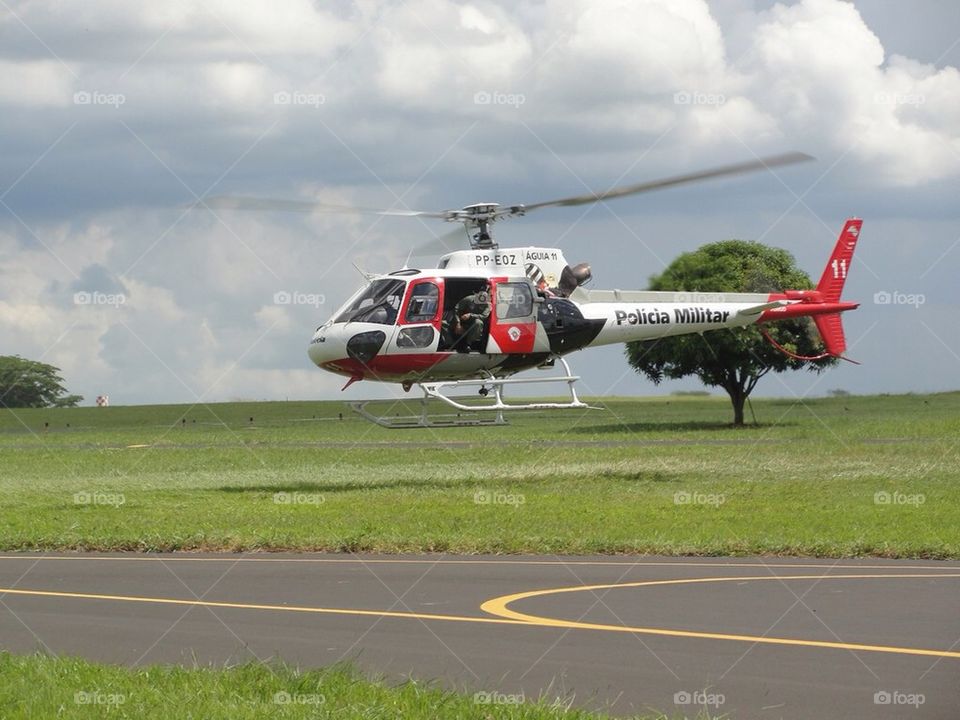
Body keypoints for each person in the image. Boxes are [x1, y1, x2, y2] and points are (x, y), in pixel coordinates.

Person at [453, 284, 492, 352]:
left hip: (474, 326)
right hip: (462, 322)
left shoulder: (487, 305)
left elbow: (484, 316)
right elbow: (456, 309)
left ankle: (468, 344)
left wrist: (470, 315)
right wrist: (458, 323)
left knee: (478, 322)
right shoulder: (469, 299)